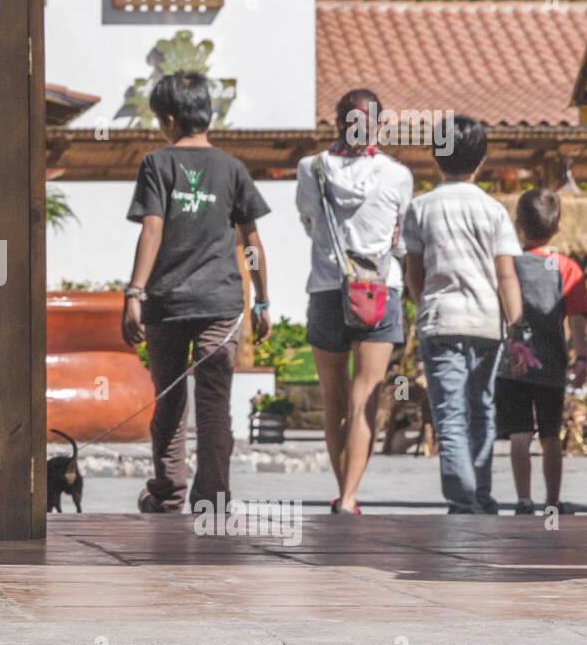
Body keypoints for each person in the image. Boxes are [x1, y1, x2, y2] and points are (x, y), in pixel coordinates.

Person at [121, 70, 272, 514]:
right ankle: (214, 498)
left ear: (168, 119)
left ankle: (167, 494)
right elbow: (252, 242)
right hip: (221, 304)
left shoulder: (157, 163)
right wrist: (261, 297)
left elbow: (152, 228)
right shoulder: (232, 169)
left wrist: (134, 292)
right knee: (214, 404)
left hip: (165, 302)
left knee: (169, 400)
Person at [296, 89, 414, 514]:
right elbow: (401, 242)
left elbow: (309, 224)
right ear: (379, 126)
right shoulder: (398, 175)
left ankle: (341, 488)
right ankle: (348, 498)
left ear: (336, 122)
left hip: (328, 288)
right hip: (379, 292)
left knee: (334, 396)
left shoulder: (309, 168)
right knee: (366, 396)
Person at [402, 116, 527, 514]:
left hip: (440, 321)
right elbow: (506, 274)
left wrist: (425, 304)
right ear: (482, 160)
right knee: (481, 410)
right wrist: (517, 325)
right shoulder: (493, 210)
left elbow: (413, 273)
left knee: (450, 416)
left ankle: (463, 500)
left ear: (436, 156)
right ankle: (481, 494)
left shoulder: (420, 208)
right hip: (487, 323)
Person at [495, 188, 587, 515]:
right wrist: (581, 358)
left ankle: (524, 500)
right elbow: (578, 319)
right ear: (559, 226)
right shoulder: (567, 269)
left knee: (520, 434)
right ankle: (552, 502)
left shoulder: (508, 266)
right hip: (551, 364)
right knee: (551, 434)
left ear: (517, 225)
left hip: (511, 363)